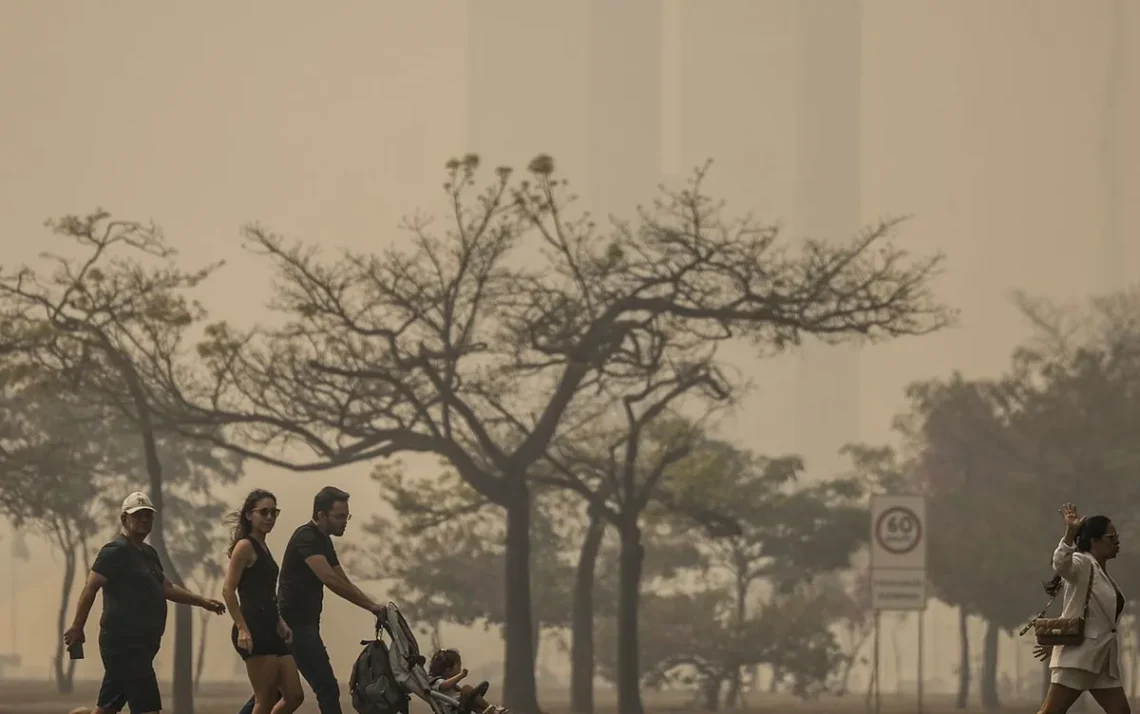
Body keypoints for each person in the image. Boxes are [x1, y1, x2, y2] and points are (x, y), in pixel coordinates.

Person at [62, 491, 226, 714]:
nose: (144, 520)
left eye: (148, 516)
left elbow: (166, 587)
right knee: (148, 710)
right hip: (125, 643)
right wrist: (77, 626)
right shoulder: (114, 551)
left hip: (144, 643)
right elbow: (91, 587)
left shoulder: (148, 553)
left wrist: (203, 601)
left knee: (107, 708)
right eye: (138, 515)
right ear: (124, 519)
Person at [236, 486, 387, 714]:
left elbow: (342, 579)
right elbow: (328, 578)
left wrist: (374, 606)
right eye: (339, 517)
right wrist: (371, 606)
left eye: (346, 516)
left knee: (270, 693)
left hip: (302, 625)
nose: (344, 521)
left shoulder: (324, 541)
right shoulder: (306, 537)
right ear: (321, 515)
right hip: (293, 625)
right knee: (326, 687)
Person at [1033, 502, 1129, 714]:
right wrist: (1069, 535)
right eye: (1111, 538)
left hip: (1102, 661)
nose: (1117, 541)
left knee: (1121, 711)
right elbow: (1060, 564)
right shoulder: (1082, 564)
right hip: (1079, 658)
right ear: (1095, 541)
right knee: (1052, 711)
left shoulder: (1102, 573)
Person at [223, 489, 304, 714]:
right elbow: (228, 590)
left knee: (294, 695)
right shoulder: (245, 546)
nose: (269, 517)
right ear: (249, 515)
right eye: (264, 512)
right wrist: (242, 628)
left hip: (271, 627)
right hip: (253, 628)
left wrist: (279, 621)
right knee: (264, 699)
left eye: (274, 512)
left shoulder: (264, 547)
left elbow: (266, 593)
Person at [428, 649, 508, 714]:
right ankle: (491, 709)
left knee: (476, 706)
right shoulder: (436, 681)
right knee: (466, 689)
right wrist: (461, 675)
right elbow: (444, 685)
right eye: (458, 667)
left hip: (461, 706)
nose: (459, 670)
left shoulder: (446, 682)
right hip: (456, 708)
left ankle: (488, 711)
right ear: (449, 671)